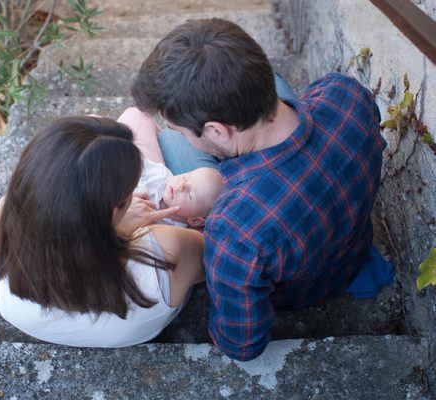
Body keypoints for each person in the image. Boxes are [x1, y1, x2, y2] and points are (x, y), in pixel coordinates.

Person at [131, 18, 393, 361]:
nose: (180, 133)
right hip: (350, 250)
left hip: (301, 285)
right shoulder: (344, 93)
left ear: (217, 131)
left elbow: (241, 344)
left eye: (184, 129)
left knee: (165, 143)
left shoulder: (234, 229)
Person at [0, 116, 205, 347]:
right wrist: (127, 232)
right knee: (177, 144)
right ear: (114, 213)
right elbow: (217, 253)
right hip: (159, 277)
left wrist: (114, 229)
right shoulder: (167, 249)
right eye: (129, 191)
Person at [118, 107, 224, 228]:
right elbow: (134, 162)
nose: (181, 185)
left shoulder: (174, 232)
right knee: (136, 114)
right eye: (185, 177)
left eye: (190, 195)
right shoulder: (160, 175)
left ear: (196, 221)